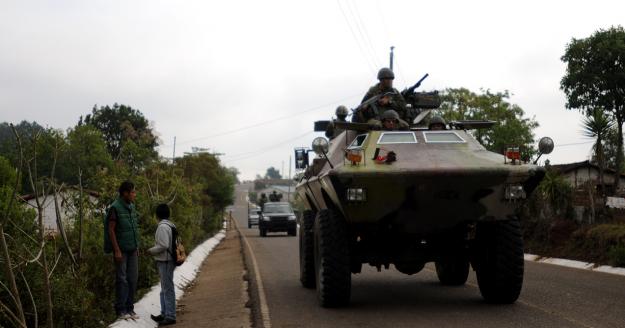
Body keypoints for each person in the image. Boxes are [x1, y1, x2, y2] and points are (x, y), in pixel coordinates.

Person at [106, 181, 140, 320]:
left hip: (132, 249)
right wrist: (117, 250)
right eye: (132, 192)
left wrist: (136, 246)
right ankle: (121, 310)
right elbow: (111, 230)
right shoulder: (115, 207)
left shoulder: (131, 206)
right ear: (125, 193)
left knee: (133, 278)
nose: (134, 194)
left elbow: (134, 228)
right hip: (121, 251)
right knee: (122, 279)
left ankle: (130, 308)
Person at [149, 204, 177, 326]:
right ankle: (164, 313)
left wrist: (151, 250)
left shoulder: (162, 227)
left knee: (167, 288)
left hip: (165, 261)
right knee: (164, 288)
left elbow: (163, 245)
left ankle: (170, 315)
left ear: (157, 215)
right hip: (170, 260)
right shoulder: (171, 225)